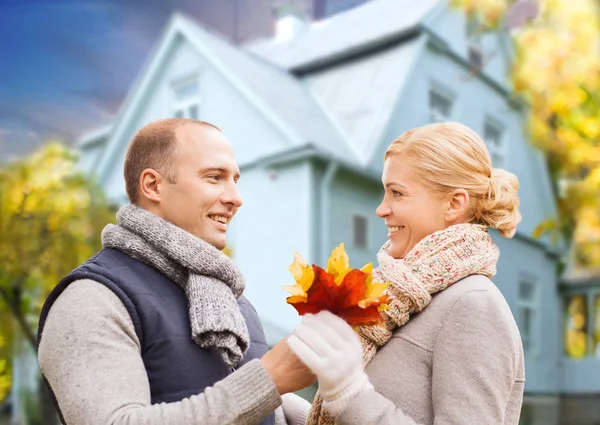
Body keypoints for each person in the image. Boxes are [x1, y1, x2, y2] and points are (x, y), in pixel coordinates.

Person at [37, 118, 313, 425]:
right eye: (214, 177)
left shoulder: (233, 302)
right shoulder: (91, 299)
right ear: (153, 186)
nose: (236, 198)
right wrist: (268, 382)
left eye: (235, 180)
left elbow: (230, 392)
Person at [287, 121, 526, 425]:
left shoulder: (473, 305)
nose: (381, 209)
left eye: (397, 193)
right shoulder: (400, 301)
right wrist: (278, 402)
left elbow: (361, 405)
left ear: (453, 204)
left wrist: (347, 390)